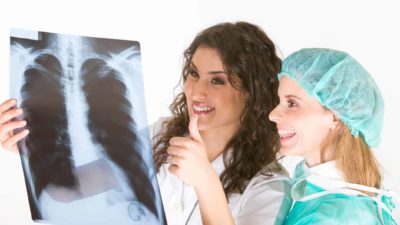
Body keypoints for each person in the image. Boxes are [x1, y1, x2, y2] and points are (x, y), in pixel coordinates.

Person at [1, 21, 292, 225]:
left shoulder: (270, 185)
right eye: (193, 73)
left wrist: (206, 180)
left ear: (253, 92)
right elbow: (73, 190)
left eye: (218, 80)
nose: (196, 91)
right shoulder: (161, 135)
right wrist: (30, 148)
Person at [269, 48, 398, 224]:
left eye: (292, 103)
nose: (272, 115)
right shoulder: (315, 190)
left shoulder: (335, 218)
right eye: (279, 101)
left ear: (335, 117)